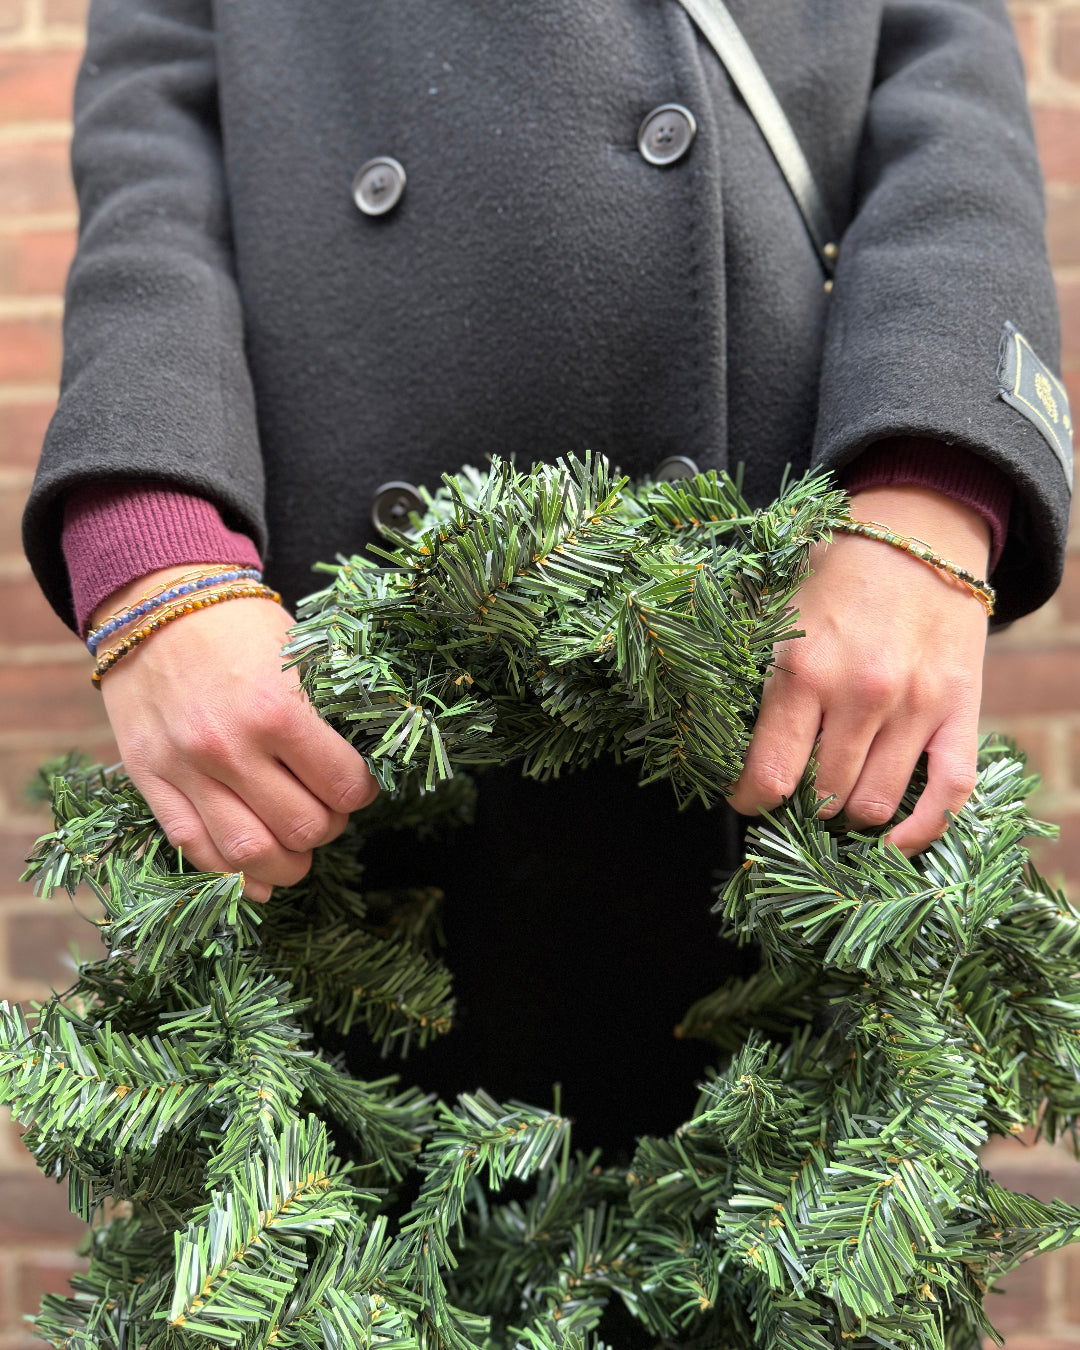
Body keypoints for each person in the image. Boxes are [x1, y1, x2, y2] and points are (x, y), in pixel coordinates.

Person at [22, 0, 1071, 1143]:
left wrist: (930, 485)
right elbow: (152, 153)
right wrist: (152, 552)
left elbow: (947, 98)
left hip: (794, 636)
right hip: (321, 708)